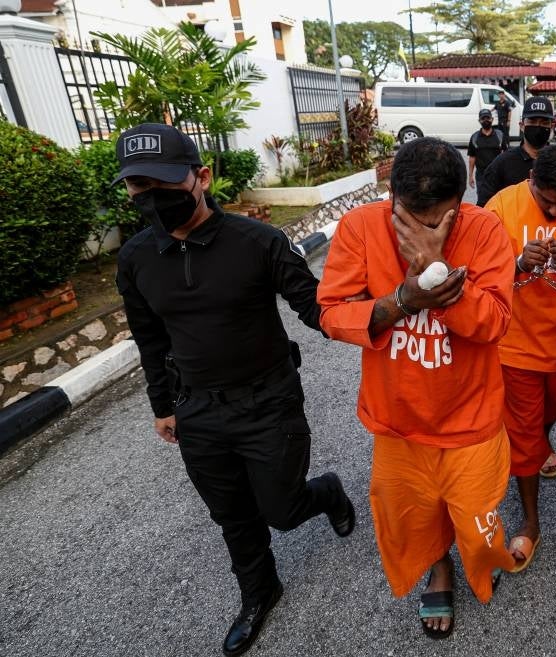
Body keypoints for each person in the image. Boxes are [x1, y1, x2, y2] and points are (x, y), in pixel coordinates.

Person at [113, 123, 356, 657]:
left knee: (282, 509)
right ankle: (258, 593)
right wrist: (162, 408)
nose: (153, 201)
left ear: (201, 178)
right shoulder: (135, 260)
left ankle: (329, 492)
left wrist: (385, 311)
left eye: (165, 187)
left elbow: (316, 308)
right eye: (139, 189)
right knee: (233, 515)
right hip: (197, 409)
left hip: (269, 402)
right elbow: (150, 340)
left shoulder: (258, 242)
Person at [316, 137, 517, 640]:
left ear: (464, 196)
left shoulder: (487, 228)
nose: (426, 232)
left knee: (476, 517)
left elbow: (494, 322)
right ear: (391, 196)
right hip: (397, 418)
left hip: (471, 416)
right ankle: (439, 566)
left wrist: (441, 278)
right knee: (414, 517)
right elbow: (332, 314)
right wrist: (402, 301)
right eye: (410, 217)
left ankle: (476, 555)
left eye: (440, 220)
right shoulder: (361, 228)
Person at [484, 143, 556, 572]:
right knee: (525, 432)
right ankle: (531, 521)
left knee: (549, 420)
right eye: (545, 201)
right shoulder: (502, 206)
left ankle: (540, 446)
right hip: (517, 348)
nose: (552, 213)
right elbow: (476, 274)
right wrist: (515, 263)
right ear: (531, 179)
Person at [477, 96, 555, 206]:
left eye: (544, 122)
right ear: (522, 126)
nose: (538, 127)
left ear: (552, 126)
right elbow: (484, 207)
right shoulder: (502, 164)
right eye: (532, 121)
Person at [468, 108, 506, 192]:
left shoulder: (500, 135)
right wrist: (470, 176)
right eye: (483, 118)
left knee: (498, 200)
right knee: (482, 202)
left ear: (492, 119)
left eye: (488, 118)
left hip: (497, 175)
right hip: (481, 176)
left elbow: (505, 155)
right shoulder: (474, 137)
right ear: (479, 121)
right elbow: (472, 158)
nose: (486, 120)